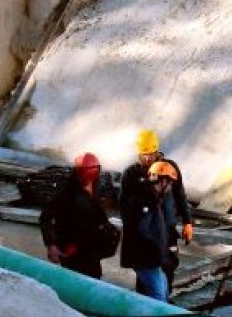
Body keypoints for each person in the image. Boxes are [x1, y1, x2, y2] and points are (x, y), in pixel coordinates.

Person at [119, 126, 194, 301]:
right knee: (147, 270)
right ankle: (146, 302)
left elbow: (180, 194)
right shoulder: (132, 174)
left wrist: (187, 221)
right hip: (146, 233)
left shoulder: (169, 169)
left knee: (168, 267)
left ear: (157, 150)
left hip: (167, 229)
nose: (147, 158)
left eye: (151, 154)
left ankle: (164, 300)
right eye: (144, 155)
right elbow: (124, 205)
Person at [38, 152, 119, 279]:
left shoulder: (96, 185)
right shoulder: (66, 191)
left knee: (94, 279)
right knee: (75, 280)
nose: (89, 180)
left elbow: (98, 213)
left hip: (91, 248)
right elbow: (45, 217)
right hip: (72, 249)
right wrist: (51, 245)